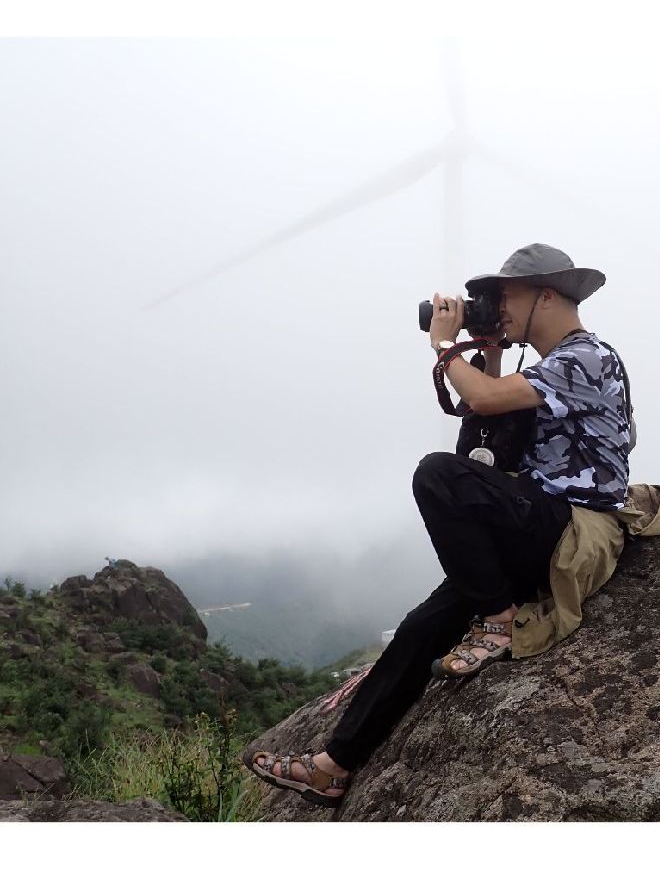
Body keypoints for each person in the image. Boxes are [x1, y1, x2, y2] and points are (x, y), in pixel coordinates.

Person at [245, 243, 632, 807]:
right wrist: (489, 351)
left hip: (572, 529)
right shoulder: (542, 371)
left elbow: (482, 403)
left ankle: (499, 621)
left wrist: (445, 345)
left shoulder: (587, 357)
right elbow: (484, 440)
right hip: (534, 524)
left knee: (436, 474)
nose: (497, 308)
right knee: (421, 628)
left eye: (505, 297)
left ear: (546, 296)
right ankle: (334, 766)